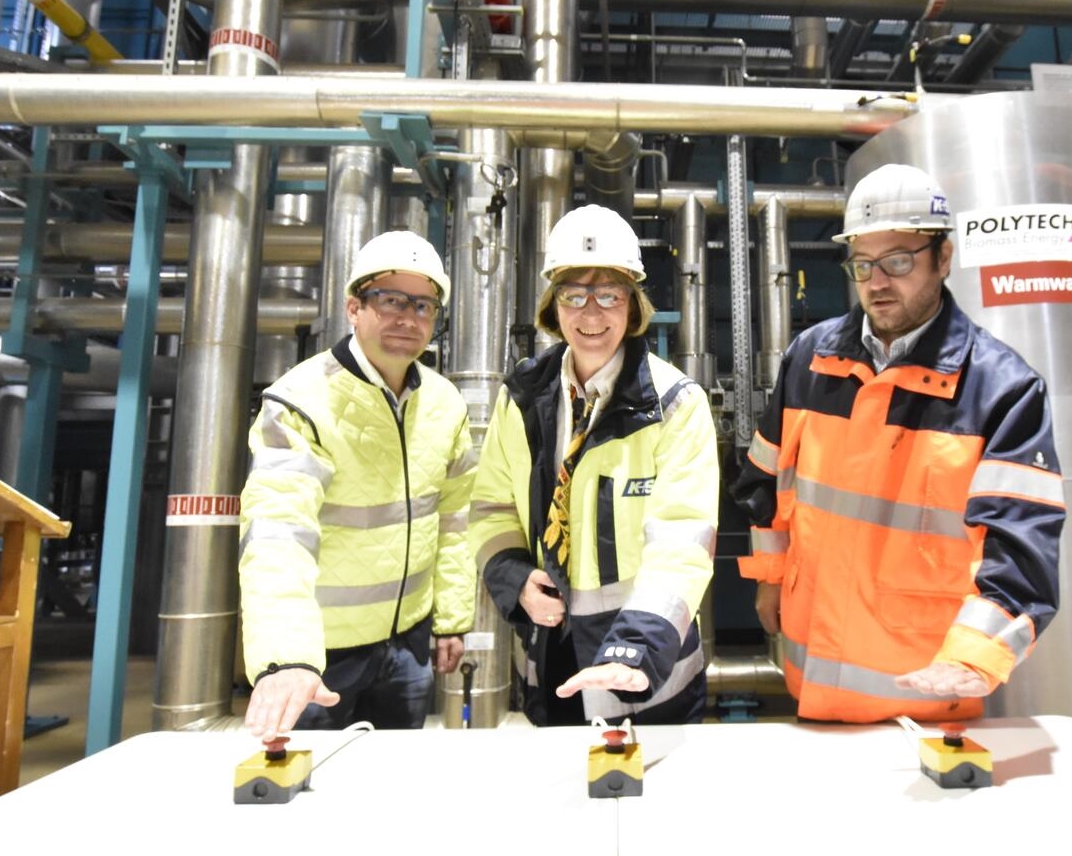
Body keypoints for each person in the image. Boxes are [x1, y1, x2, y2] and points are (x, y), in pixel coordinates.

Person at [734, 164, 1066, 724]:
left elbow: (1020, 542)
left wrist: (974, 657)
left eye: (899, 262)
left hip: (925, 688)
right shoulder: (811, 358)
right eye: (863, 264)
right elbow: (768, 479)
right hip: (810, 682)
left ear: (943, 257)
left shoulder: (1002, 389)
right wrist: (770, 580)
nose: (877, 282)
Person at [469, 204, 718, 725]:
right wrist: (514, 579)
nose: (590, 314)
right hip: (552, 656)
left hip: (648, 662)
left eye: (609, 295)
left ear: (633, 305)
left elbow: (681, 542)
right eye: (573, 295)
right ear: (553, 305)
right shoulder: (521, 397)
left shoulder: (674, 403)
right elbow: (492, 507)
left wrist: (636, 648)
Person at [240, 230, 476, 740]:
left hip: (408, 647)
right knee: (310, 793)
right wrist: (286, 657)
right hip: (321, 656)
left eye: (423, 306)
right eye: (391, 300)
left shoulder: (444, 404)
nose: (408, 318)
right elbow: (278, 535)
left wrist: (452, 617)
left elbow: (456, 521)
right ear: (354, 306)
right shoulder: (299, 402)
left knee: (392, 792)